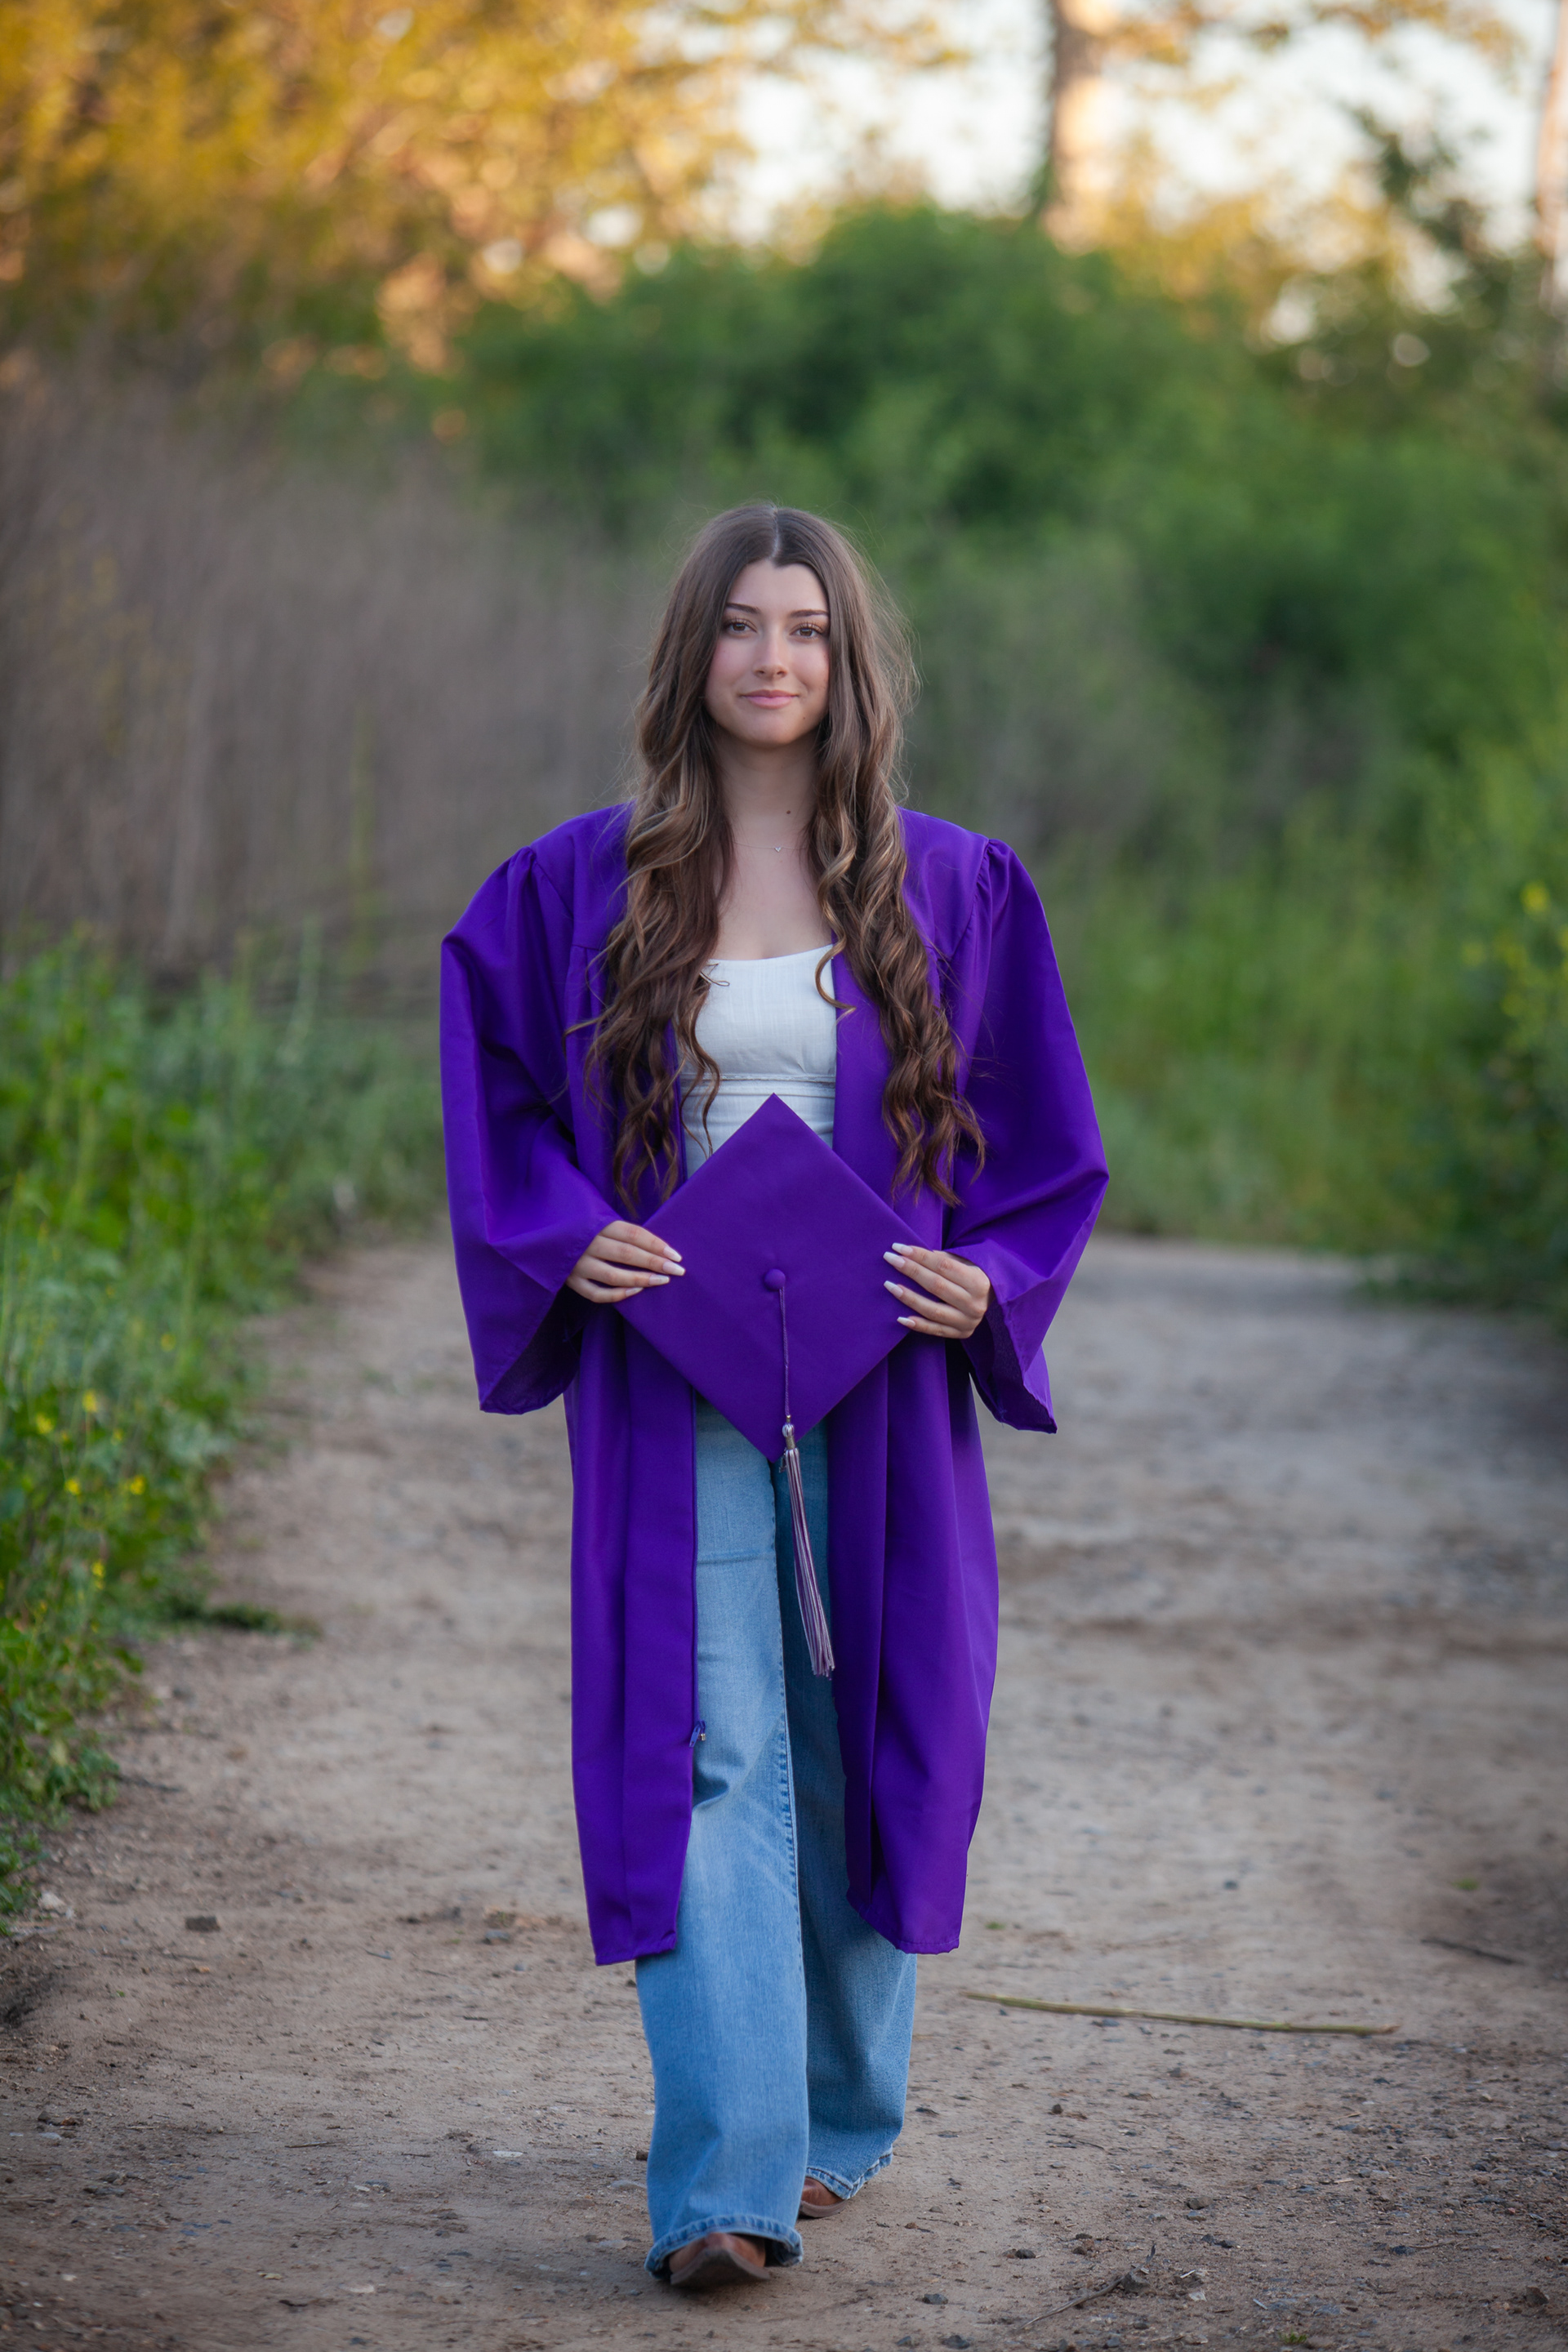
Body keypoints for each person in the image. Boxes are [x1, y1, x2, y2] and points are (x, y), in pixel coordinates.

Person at [440, 505, 1107, 2291]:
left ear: (848, 661)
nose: (772, 657)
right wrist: (564, 1232)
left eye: (806, 628)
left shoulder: (952, 888)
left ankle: (831, 2117)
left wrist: (992, 1282)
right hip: (678, 1367)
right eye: (740, 624)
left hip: (879, 1369)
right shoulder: (578, 888)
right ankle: (725, 2182)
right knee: (707, 1745)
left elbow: (1042, 1146)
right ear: (694, 653)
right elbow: (497, 1087)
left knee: (862, 1735)